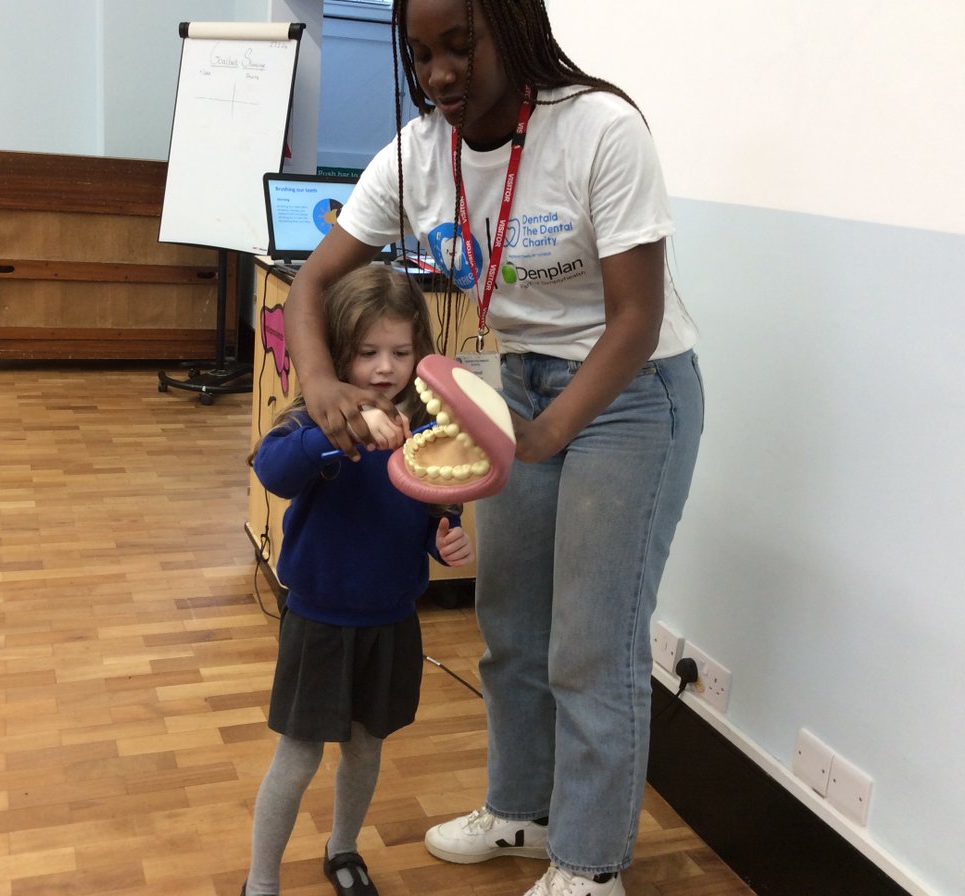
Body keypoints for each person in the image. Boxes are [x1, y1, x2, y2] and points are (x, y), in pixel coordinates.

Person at [280, 1, 704, 895]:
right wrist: (320, 385)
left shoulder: (600, 129)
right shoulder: (416, 152)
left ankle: (591, 869)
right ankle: (523, 809)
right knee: (509, 624)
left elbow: (637, 316)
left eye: (460, 46)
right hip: (518, 384)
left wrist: (547, 434)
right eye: (420, 53)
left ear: (513, 26)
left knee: (592, 642)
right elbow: (314, 281)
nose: (438, 73)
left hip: (627, 390)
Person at [243, 265, 475, 896]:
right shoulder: (312, 422)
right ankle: (261, 881)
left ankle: (343, 849)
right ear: (337, 351)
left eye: (400, 352)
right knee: (297, 756)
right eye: (368, 352)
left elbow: (436, 507)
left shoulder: (427, 430)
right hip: (319, 620)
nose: (384, 367)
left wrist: (444, 535)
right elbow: (273, 471)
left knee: (366, 750)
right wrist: (337, 436)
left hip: (393, 619)